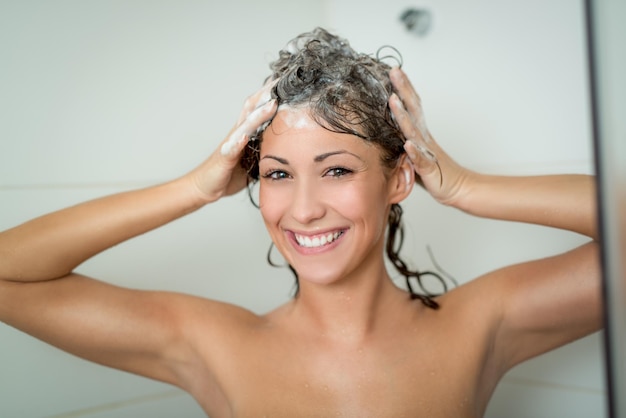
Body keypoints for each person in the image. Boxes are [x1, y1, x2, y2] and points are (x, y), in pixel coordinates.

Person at [0, 27, 601, 417]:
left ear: (398, 180)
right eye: (279, 175)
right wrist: (193, 188)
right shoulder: (215, 345)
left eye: (337, 170)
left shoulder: (480, 325)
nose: (304, 208)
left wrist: (466, 187)